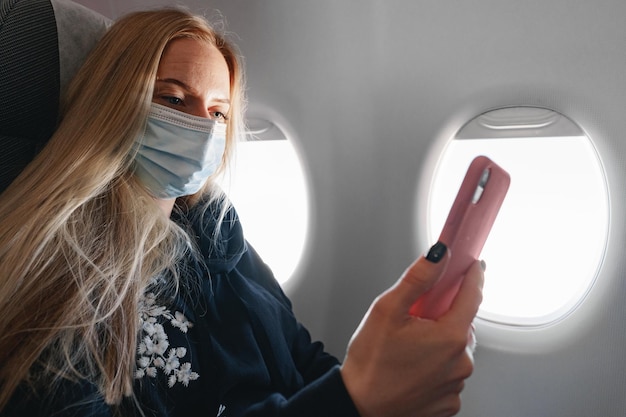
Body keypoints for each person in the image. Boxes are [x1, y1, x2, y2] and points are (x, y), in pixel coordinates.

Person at [0, 7, 485, 417]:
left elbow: (301, 358)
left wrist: (379, 372)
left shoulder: (219, 235)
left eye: (219, 112)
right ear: (111, 105)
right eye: (173, 99)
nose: (203, 129)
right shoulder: (59, 267)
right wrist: (354, 400)